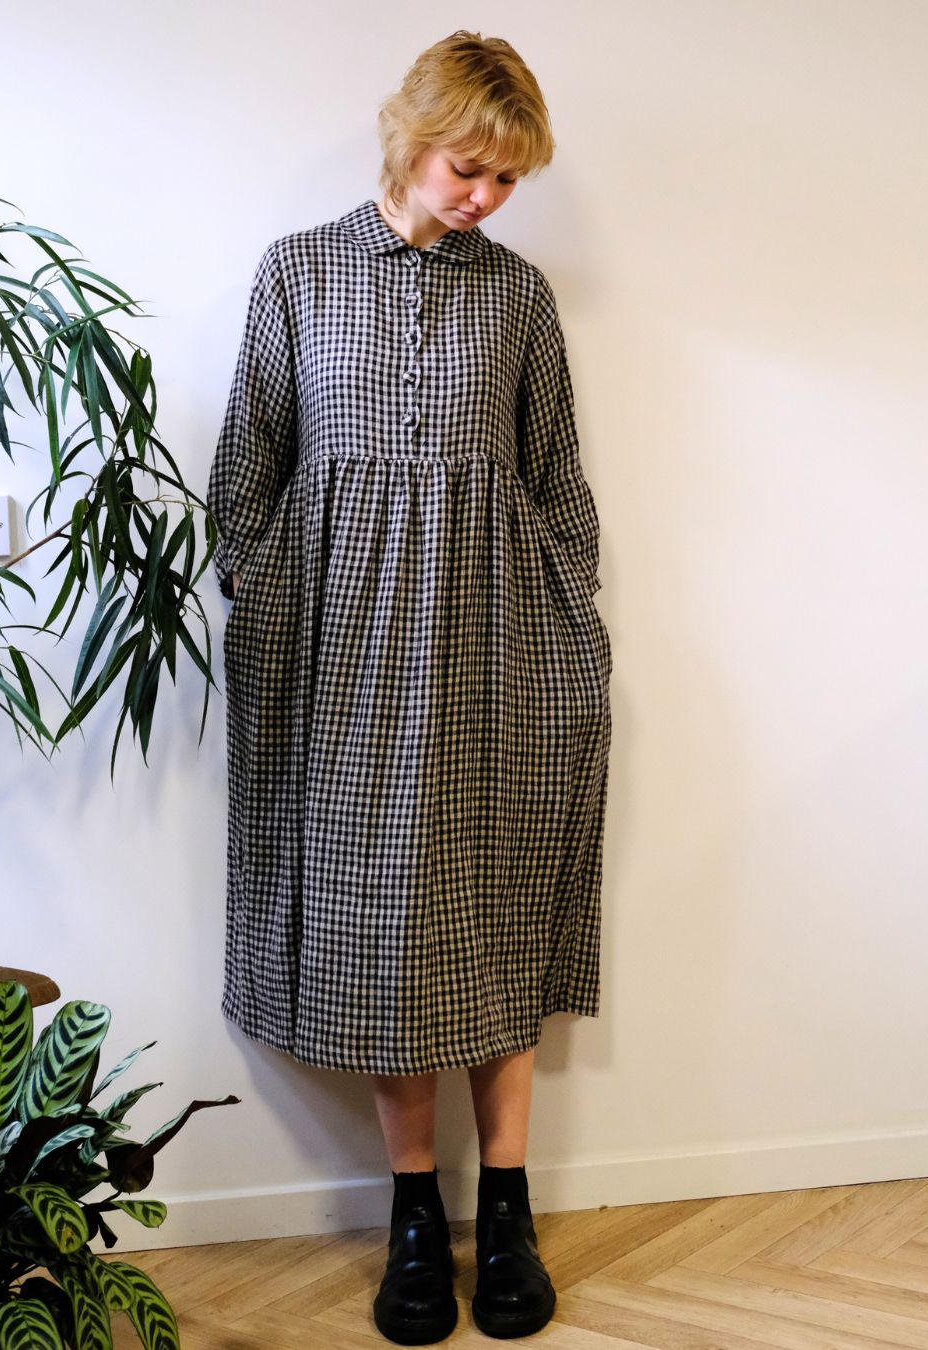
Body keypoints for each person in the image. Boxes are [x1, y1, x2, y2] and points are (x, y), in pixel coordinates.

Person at [206, 29, 612, 1344]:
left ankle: (508, 1206)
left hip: (499, 650)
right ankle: (411, 1217)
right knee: (387, 928)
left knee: (493, 908)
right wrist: (272, 609)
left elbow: (559, 487)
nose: (487, 198)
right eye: (469, 167)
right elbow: (246, 481)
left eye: (509, 181)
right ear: (410, 134)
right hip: (345, 664)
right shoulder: (299, 274)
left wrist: (564, 615)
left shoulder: (520, 296)